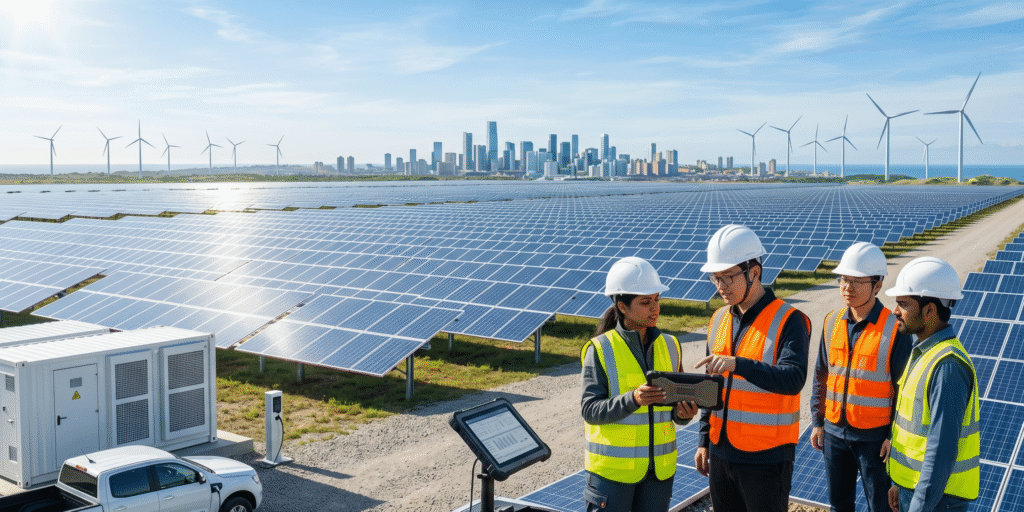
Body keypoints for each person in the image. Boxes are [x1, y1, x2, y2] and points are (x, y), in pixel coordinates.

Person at [693, 224, 810, 512]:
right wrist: (704, 439)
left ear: (754, 272)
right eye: (715, 278)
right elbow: (712, 386)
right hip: (721, 451)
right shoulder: (719, 318)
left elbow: (793, 378)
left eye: (728, 277)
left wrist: (738, 365)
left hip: (766, 457)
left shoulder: (790, 320)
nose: (720, 286)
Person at [581, 256, 699, 512]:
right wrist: (633, 399)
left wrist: (682, 414)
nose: (655, 308)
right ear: (622, 307)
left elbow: (672, 410)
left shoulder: (671, 345)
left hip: (658, 473)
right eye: (646, 302)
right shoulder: (600, 349)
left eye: (657, 299)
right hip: (612, 476)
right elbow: (590, 410)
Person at [810, 242, 912, 512]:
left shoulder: (895, 329)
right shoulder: (831, 321)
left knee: (879, 506)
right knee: (838, 504)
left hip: (875, 440)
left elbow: (904, 390)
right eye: (843, 279)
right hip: (834, 433)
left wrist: (894, 436)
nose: (847, 287)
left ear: (877, 285)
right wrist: (817, 421)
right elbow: (821, 374)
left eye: (857, 281)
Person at [884, 256, 979, 512]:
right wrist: (898, 481)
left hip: (937, 501)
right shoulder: (924, 353)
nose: (895, 311)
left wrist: (918, 506)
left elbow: (940, 454)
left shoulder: (947, 366)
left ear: (929, 310)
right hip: (914, 491)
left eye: (903, 304)